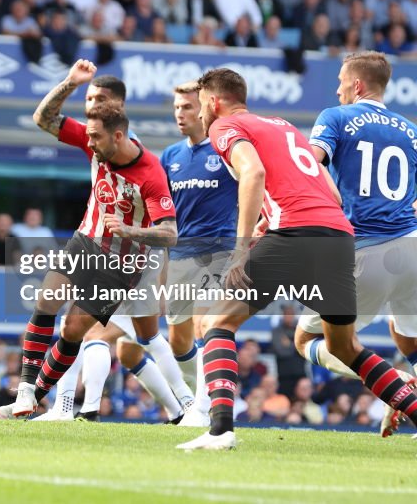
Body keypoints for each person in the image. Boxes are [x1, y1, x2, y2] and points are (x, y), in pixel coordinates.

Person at [178, 68, 417, 450]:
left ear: (212, 101)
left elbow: (253, 173)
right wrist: (266, 222)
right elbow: (332, 194)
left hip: (295, 233)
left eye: (200, 105)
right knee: (344, 346)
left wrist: (242, 250)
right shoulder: (283, 126)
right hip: (338, 235)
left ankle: (220, 429)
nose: (200, 116)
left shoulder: (224, 128)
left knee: (215, 322)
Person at [0, 59, 178, 419]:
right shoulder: (97, 139)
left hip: (122, 261)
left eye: (95, 137)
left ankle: (37, 399)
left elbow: (170, 233)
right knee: (47, 299)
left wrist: (131, 231)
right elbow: (43, 120)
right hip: (86, 239)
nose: (88, 143)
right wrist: (69, 83)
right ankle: (26, 394)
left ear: (118, 134)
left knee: (74, 329)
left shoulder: (150, 172)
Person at [296, 52, 417, 437]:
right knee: (406, 332)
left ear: (357, 85)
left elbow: (310, 164)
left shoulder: (335, 116)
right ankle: (403, 373)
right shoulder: (411, 130)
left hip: (363, 250)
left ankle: (395, 382)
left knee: (310, 339)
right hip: (412, 245)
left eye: (341, 81)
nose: (337, 89)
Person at [157, 82, 238, 427]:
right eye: (176, 107)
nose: (181, 113)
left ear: (204, 109)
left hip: (218, 252)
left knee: (208, 325)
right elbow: (161, 214)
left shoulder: (226, 151)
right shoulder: (171, 157)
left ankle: (204, 408)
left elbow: (254, 185)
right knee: (178, 340)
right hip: (178, 257)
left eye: (188, 107)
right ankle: (198, 398)